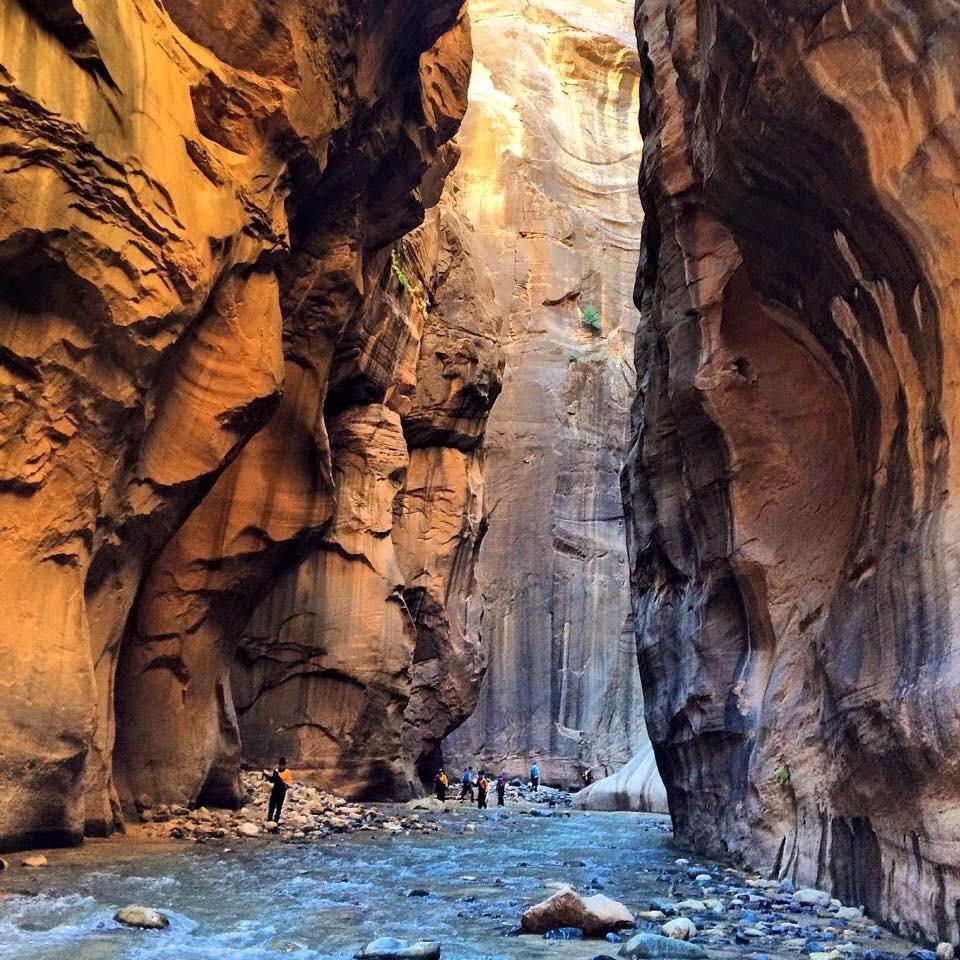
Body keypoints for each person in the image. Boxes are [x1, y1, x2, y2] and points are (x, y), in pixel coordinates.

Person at [263, 757, 293, 823]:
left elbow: (287, 784)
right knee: (271, 806)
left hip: (282, 792)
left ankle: (276, 821)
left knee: (279, 807)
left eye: (282, 765)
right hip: (275, 791)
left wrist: (279, 780)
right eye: (280, 765)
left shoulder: (288, 772)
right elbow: (272, 780)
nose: (281, 766)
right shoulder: (276, 771)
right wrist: (266, 775)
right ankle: (269, 820)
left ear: (285, 765)